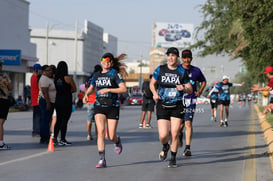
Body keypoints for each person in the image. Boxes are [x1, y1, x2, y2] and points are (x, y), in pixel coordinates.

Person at [83, 53, 128, 168]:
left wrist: (108, 89)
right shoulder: (96, 75)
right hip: (99, 106)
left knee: (110, 136)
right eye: (104, 60)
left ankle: (117, 141)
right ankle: (102, 159)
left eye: (108, 61)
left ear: (111, 63)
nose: (106, 63)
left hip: (113, 106)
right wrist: (86, 95)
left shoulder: (114, 74)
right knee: (101, 132)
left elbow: (123, 89)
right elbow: (92, 87)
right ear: (101, 61)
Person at [150, 47, 192, 168]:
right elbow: (152, 84)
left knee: (174, 133)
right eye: (169, 55)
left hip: (177, 105)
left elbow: (190, 89)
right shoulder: (160, 69)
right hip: (162, 104)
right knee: (163, 135)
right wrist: (154, 93)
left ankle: (173, 158)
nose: (170, 58)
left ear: (177, 58)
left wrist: (184, 88)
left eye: (173, 56)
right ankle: (165, 146)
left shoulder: (182, 71)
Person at [179, 49, 207, 157]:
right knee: (179, 126)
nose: (187, 60)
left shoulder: (196, 71)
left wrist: (200, 91)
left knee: (188, 123)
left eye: (189, 57)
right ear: (182, 58)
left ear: (191, 58)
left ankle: (187, 148)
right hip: (178, 101)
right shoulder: (177, 69)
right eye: (185, 57)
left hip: (191, 100)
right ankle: (179, 134)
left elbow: (203, 81)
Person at [53, 61, 76, 146]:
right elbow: (74, 89)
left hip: (58, 100)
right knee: (64, 120)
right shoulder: (68, 78)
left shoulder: (55, 78)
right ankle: (62, 139)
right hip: (66, 101)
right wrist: (67, 91)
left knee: (58, 119)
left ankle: (55, 138)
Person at [39, 65, 56, 144]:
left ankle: (45, 136)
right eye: (48, 70)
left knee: (47, 119)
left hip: (51, 101)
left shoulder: (49, 78)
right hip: (46, 101)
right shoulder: (44, 79)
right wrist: (48, 103)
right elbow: (45, 92)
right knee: (45, 120)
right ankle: (44, 137)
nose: (50, 71)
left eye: (50, 70)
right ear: (44, 72)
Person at [85, 64, 102, 140]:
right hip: (99, 100)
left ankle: (89, 135)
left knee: (89, 118)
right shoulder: (101, 77)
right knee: (97, 119)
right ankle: (97, 134)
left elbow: (86, 89)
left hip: (90, 100)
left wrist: (86, 96)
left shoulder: (89, 78)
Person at [0, 60, 13, 149]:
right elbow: (10, 87)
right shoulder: (4, 76)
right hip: (3, 100)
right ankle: (1, 143)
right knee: (0, 123)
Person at [31, 63, 41, 137]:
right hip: (38, 99)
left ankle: (35, 131)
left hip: (34, 99)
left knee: (35, 116)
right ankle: (37, 131)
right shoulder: (37, 77)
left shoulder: (32, 76)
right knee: (38, 116)